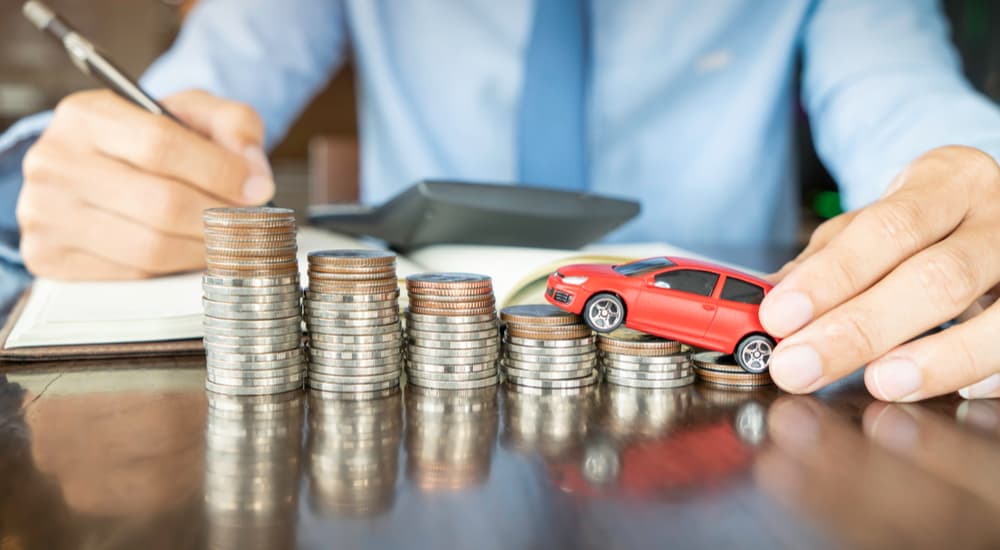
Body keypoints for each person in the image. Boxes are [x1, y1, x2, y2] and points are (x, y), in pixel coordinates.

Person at [0, 0, 998, 402]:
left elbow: (908, 105)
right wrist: (57, 178)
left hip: (704, 407)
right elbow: (188, 96)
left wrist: (972, 190)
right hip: (414, 389)